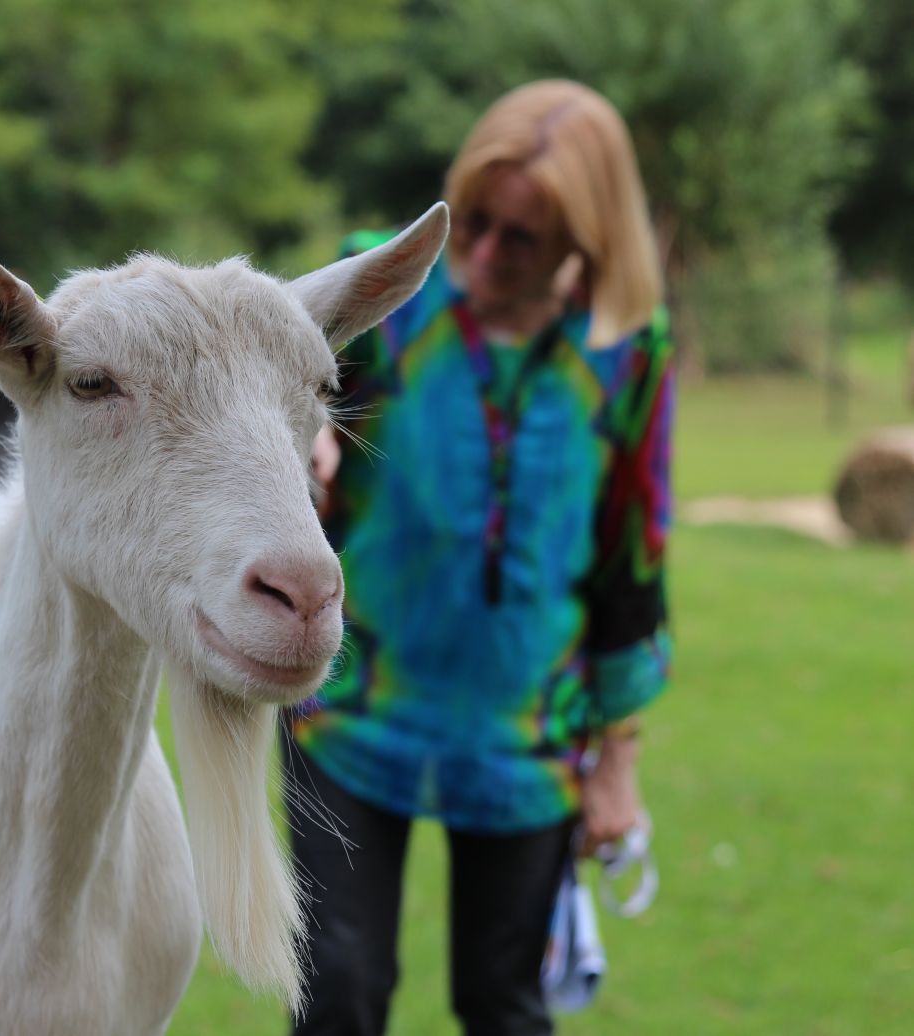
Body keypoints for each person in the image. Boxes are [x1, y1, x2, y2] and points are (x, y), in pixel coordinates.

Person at [287, 79, 674, 1035]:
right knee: (337, 992)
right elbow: (291, 430)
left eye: (522, 238)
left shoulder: (628, 351)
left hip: (525, 738)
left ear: (589, 241)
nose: (486, 257)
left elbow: (632, 557)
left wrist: (617, 760)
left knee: (503, 1007)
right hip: (353, 710)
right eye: (474, 224)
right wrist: (303, 443)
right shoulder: (382, 289)